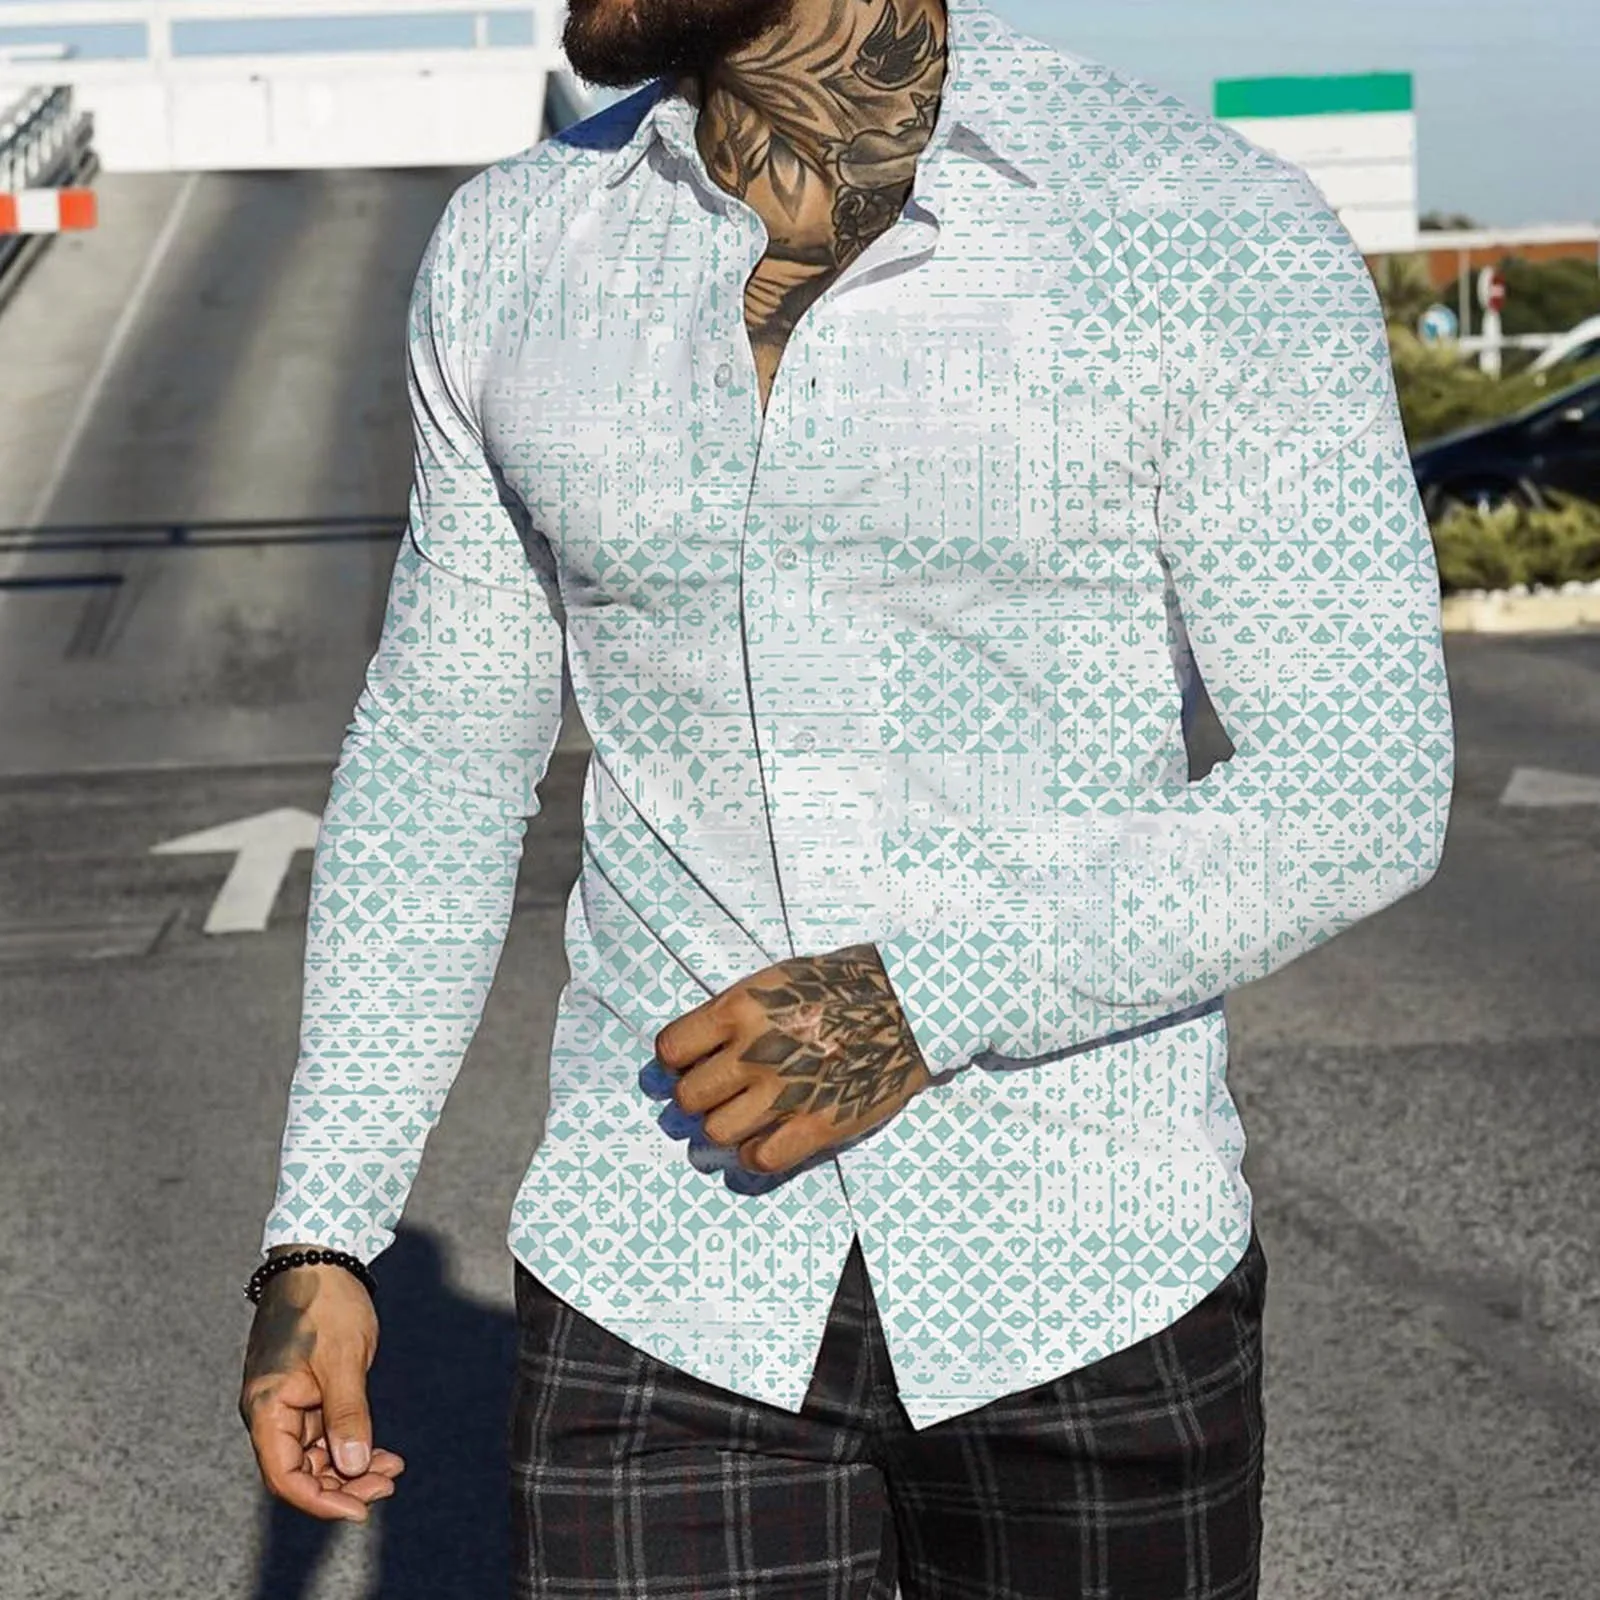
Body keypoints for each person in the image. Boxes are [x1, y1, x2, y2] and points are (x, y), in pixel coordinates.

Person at [239, 0, 1456, 1593]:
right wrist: (322, 1230)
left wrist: (925, 998)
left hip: (1088, 1274)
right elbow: (441, 764)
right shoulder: (513, 249)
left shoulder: (1193, 220)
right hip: (657, 1278)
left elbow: (1366, 772)